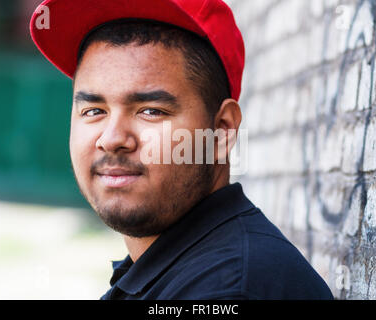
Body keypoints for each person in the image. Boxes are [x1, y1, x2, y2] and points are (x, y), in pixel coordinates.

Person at [30, 0, 334, 300]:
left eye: (151, 111)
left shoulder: (229, 290)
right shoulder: (178, 267)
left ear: (221, 132)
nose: (112, 139)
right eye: (94, 110)